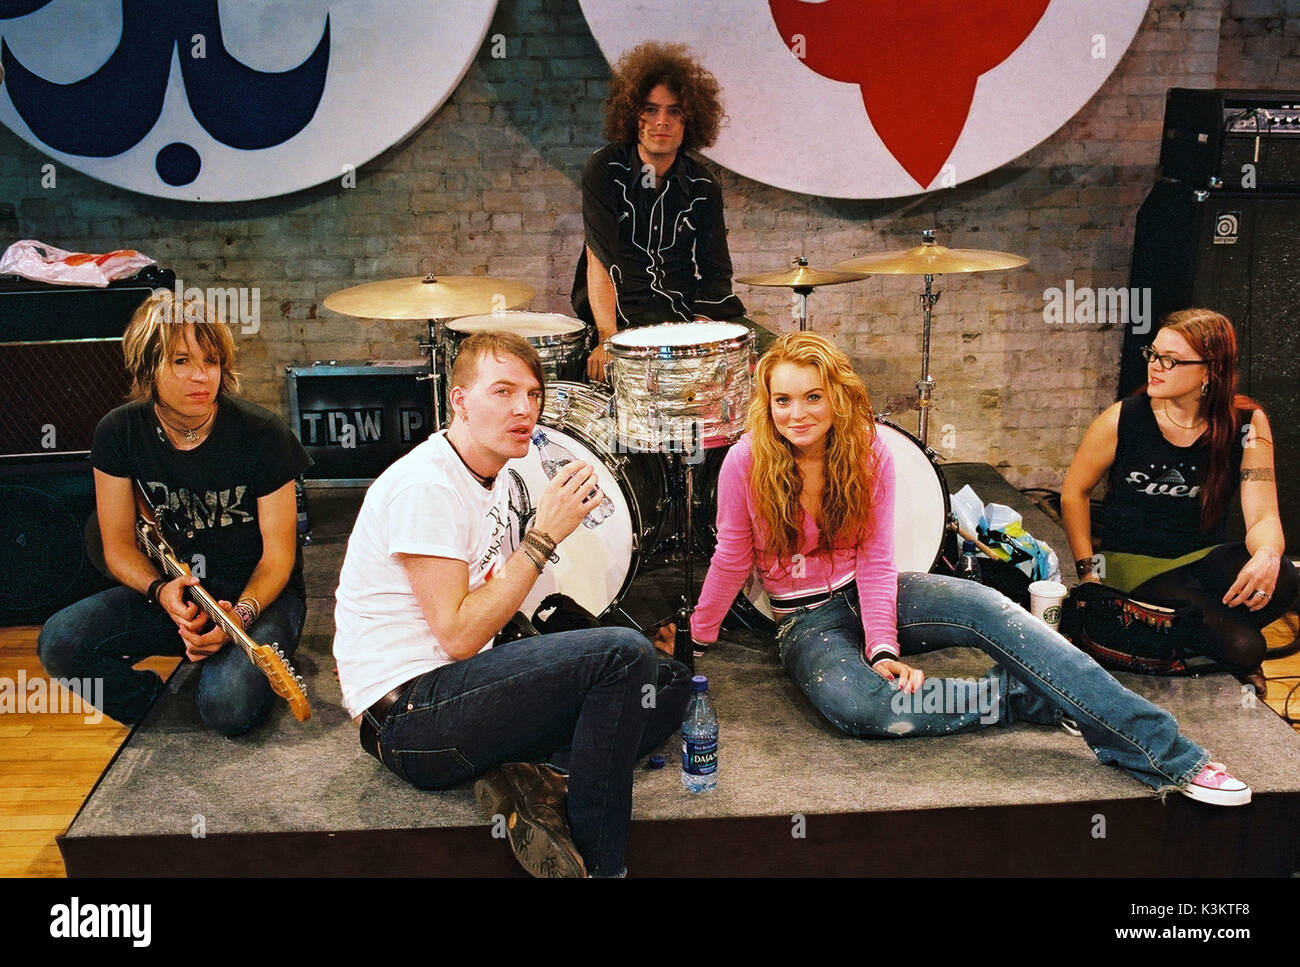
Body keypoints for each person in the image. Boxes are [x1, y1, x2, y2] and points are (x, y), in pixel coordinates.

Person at [690, 331, 1252, 806]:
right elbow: (733, 557)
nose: (797, 413)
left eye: (812, 397)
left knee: (995, 609)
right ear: (766, 402)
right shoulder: (745, 460)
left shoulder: (866, 451)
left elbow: (876, 559)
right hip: (805, 619)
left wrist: (882, 647)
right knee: (862, 707)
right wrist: (698, 635)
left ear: (837, 395)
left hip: (879, 592)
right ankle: (1021, 699)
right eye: (782, 400)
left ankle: (1168, 753)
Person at [332, 331, 691, 878]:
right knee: (621, 658)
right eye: (502, 392)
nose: (524, 409)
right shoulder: (426, 486)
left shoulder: (493, 474)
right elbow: (457, 635)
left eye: (533, 394)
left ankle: (534, 777)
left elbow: (493, 610)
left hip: (462, 686)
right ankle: (602, 864)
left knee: (668, 681)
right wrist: (543, 539)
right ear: (459, 401)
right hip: (410, 722)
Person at [37, 289, 311, 735]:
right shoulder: (119, 432)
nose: (201, 376)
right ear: (149, 367)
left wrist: (237, 617)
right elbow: (118, 547)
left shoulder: (264, 435)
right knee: (59, 641)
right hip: (176, 597)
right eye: (181, 361)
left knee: (229, 710)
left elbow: (279, 557)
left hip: (257, 599)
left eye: (211, 360)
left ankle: (229, 676)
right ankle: (154, 705)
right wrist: (160, 592)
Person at [1062, 308, 1296, 691]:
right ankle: (1204, 633)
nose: (1156, 367)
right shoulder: (1124, 418)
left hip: (1200, 560)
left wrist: (1267, 555)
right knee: (1245, 647)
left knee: (1284, 576)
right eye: (1153, 355)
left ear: (1210, 370)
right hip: (1137, 567)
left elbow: (1263, 515)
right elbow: (1074, 493)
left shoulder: (1248, 422)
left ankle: (1182, 635)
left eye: (1170, 360)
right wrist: (1088, 572)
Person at [573, 41, 765, 381]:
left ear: (689, 120)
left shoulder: (703, 185)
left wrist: (703, 340)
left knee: (773, 357)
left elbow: (715, 272)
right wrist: (607, 337)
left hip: (683, 315)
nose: (661, 121)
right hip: (622, 318)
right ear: (633, 114)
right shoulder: (605, 169)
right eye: (650, 109)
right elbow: (598, 259)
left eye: (674, 111)